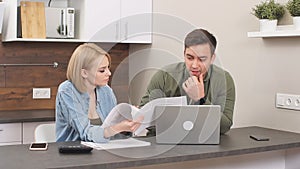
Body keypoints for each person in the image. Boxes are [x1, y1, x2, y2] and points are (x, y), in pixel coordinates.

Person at [139, 28, 235, 135]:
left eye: (202, 59)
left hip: (206, 142)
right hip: (164, 140)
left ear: (212, 58)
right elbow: (144, 119)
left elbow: (225, 126)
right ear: (184, 54)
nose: (194, 65)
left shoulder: (224, 79)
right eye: (190, 58)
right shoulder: (164, 76)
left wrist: (201, 100)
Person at [56, 43, 141, 143]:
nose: (109, 73)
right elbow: (86, 133)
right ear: (84, 73)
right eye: (102, 70)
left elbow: (110, 132)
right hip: (73, 154)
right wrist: (118, 128)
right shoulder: (67, 91)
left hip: (102, 152)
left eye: (108, 68)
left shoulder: (106, 91)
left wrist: (127, 125)